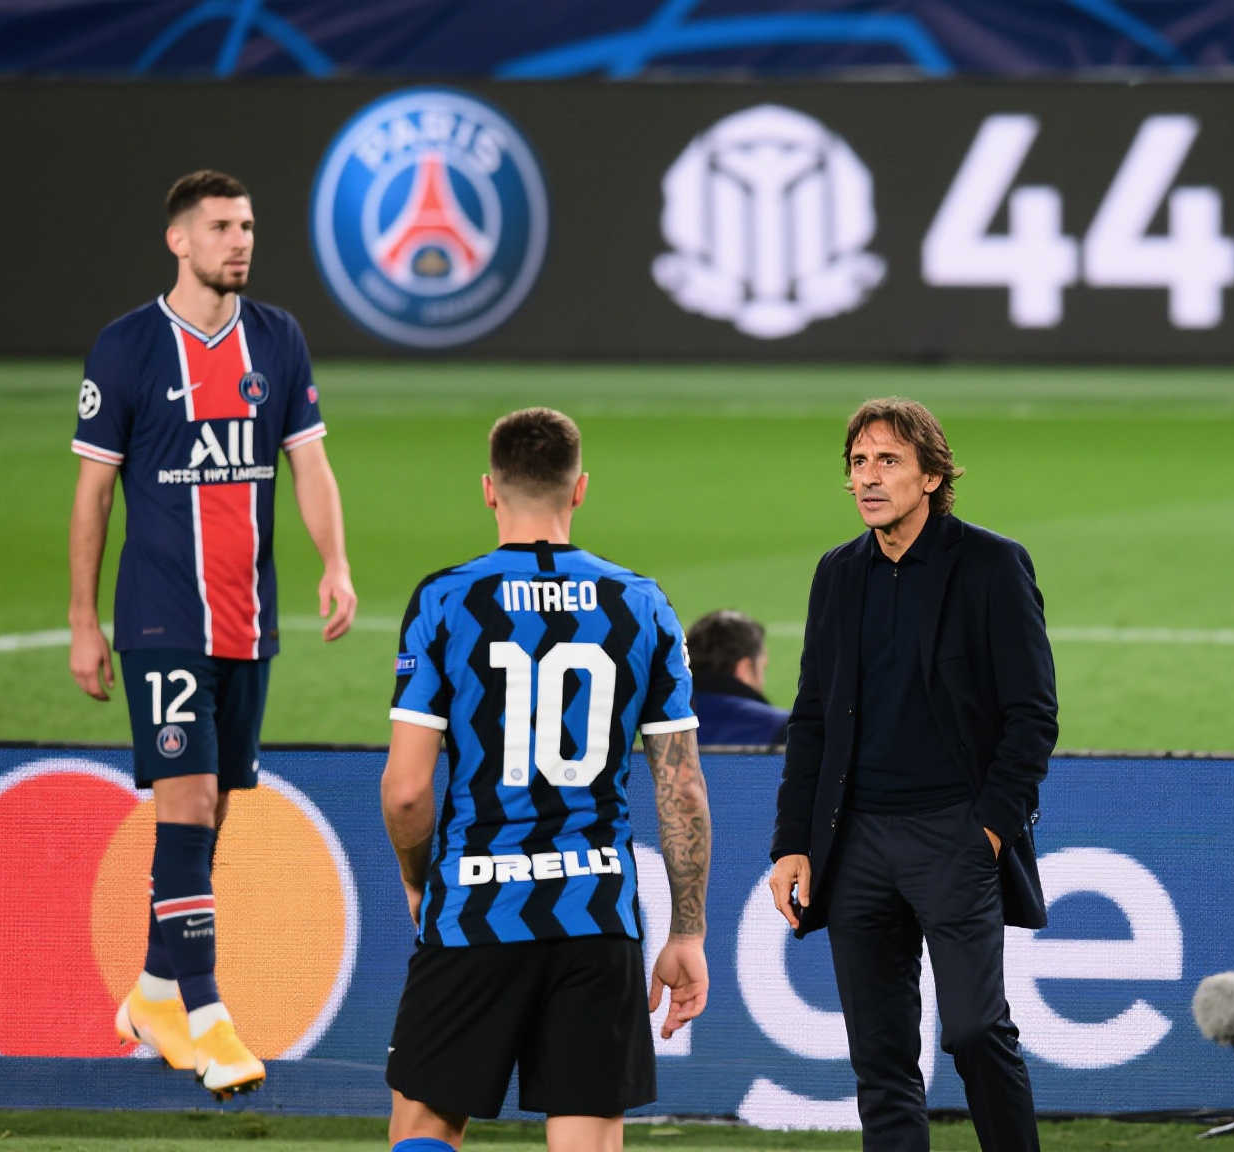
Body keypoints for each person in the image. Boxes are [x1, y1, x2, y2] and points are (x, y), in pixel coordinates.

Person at [69, 169, 357, 1100]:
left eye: (248, 226)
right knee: (187, 807)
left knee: (214, 810)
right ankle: (208, 1016)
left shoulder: (277, 337)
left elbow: (309, 463)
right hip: (162, 617)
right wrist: (83, 620)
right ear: (179, 240)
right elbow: (94, 494)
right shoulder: (127, 347)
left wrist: (335, 562)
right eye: (223, 226)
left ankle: (155, 992)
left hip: (247, 617)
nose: (241, 240)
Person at [381, 407, 712, 1152]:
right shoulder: (641, 604)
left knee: (426, 1125)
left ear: (489, 490)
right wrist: (687, 930)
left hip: (473, 906)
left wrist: (417, 879)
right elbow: (683, 789)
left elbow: (405, 790)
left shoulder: (446, 600)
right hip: (595, 912)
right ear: (580, 488)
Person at [767, 398, 1058, 1152]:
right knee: (881, 1059)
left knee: (975, 1031)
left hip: (953, 835)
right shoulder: (837, 573)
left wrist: (989, 829)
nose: (868, 477)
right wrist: (792, 842)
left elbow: (1032, 715)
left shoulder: (992, 564)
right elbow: (812, 717)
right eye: (858, 462)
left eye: (888, 461)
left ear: (931, 476)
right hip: (856, 844)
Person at [686, 609, 789, 746]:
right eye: (763, 668)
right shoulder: (783, 729)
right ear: (745, 669)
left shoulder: (663, 720)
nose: (762, 681)